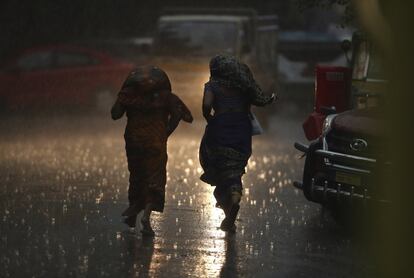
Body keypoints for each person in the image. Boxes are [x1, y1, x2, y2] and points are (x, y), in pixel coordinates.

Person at [111, 65, 193, 236]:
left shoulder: (128, 95)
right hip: (156, 141)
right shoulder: (165, 97)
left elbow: (115, 114)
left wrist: (123, 96)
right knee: (154, 177)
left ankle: (133, 212)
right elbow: (186, 116)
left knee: (137, 175)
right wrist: (167, 131)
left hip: (134, 140)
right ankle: (146, 216)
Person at [199, 55, 274, 233]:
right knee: (235, 170)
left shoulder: (213, 85)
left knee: (221, 169)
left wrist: (210, 118)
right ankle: (234, 197)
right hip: (241, 128)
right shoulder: (244, 87)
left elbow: (206, 105)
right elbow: (261, 100)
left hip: (220, 127)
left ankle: (229, 209)